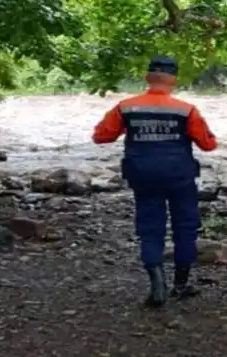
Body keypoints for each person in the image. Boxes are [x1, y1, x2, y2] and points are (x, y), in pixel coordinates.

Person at [92, 55, 218, 307]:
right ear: (173, 80)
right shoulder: (186, 109)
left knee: (150, 229)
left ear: (147, 77)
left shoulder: (126, 107)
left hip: (143, 176)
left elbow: (101, 136)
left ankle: (157, 284)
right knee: (185, 228)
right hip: (180, 176)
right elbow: (208, 144)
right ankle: (181, 284)